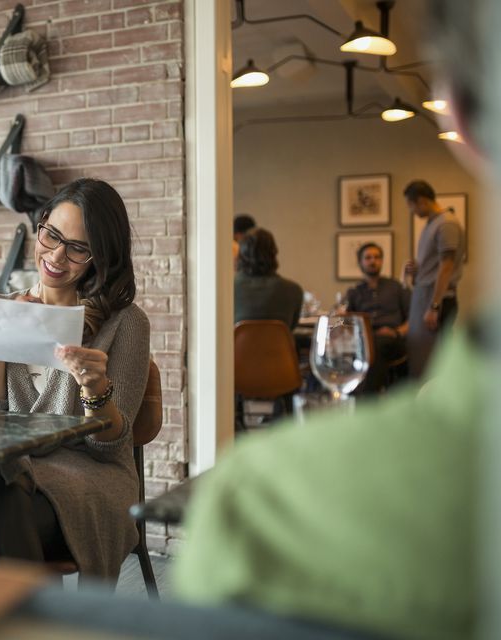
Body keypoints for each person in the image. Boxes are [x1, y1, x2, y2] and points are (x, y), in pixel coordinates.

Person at [173, 1, 489, 636]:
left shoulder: (259, 507)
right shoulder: (294, 290)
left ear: (456, 111)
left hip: (247, 382)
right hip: (294, 377)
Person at [0, 178, 150, 581]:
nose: (56, 255)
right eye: (52, 235)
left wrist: (94, 388)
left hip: (90, 476)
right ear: (40, 225)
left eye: (77, 248)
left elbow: (110, 444)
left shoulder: (125, 323)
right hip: (11, 472)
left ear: (100, 257)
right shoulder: (2, 309)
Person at [401, 179, 465, 378]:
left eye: (411, 205)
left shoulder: (446, 224)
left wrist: (434, 306)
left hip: (436, 299)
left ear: (421, 201)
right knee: (419, 357)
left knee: (430, 364)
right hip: (424, 295)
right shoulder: (432, 224)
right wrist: (417, 269)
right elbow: (435, 265)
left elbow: (446, 267)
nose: (412, 211)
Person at [345, 242, 410, 393]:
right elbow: (347, 322)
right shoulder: (354, 292)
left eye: (377, 257)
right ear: (360, 262)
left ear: (381, 261)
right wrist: (341, 318)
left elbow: (413, 317)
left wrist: (397, 332)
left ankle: (367, 400)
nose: (373, 261)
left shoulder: (396, 287)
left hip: (393, 339)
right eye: (368, 258)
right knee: (341, 348)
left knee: (375, 345)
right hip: (364, 340)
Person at [234, 228, 304, 329]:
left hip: (238, 345)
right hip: (279, 345)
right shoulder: (294, 290)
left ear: (241, 256)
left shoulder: (229, 289)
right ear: (273, 253)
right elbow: (290, 329)